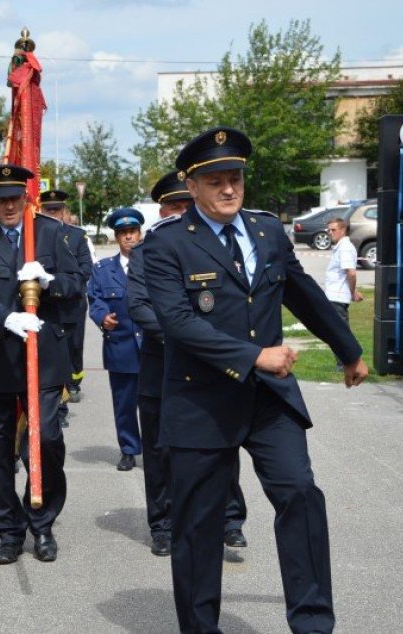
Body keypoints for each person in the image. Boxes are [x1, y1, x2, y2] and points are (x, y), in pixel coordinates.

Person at [143, 127, 368, 633]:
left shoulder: (266, 232)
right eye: (216, 180)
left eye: (236, 178)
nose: (228, 189)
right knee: (199, 523)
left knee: (300, 495)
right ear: (193, 187)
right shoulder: (167, 245)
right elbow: (179, 324)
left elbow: (303, 292)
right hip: (201, 400)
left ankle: (312, 622)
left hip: (268, 400)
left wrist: (348, 351)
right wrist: (254, 356)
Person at [0, 164, 82, 565]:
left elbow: (77, 284)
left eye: (15, 197)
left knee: (45, 440)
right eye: (0, 198)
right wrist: (6, 317)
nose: (9, 205)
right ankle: (8, 530)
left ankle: (42, 522)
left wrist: (50, 283)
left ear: (26, 197)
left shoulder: (53, 233)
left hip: (43, 357)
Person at [127, 171, 248, 557]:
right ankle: (163, 524)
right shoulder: (149, 250)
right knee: (161, 451)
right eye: (174, 206)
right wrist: (184, 336)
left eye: (186, 205)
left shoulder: (221, 245)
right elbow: (139, 307)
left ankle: (229, 520)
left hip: (216, 369)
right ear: (162, 210)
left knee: (223, 446)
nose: (182, 212)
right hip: (163, 368)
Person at [87, 208, 144, 469]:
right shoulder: (103, 269)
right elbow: (95, 300)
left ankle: (157, 450)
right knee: (124, 403)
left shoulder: (155, 264)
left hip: (154, 347)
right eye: (123, 233)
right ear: (116, 237)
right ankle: (129, 449)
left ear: (140, 234)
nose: (128, 237)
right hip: (121, 346)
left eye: (132, 232)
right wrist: (102, 318)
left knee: (157, 404)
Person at [39, 190, 93, 424]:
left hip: (71, 305)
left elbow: (85, 271)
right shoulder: (36, 234)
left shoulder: (77, 236)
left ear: (65, 212)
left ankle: (72, 384)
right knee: (52, 360)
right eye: (48, 210)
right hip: (46, 307)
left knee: (73, 350)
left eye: (56, 210)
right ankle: (58, 409)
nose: (53, 214)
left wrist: (57, 283)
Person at [324, 217, 364, 368]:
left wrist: (352, 292)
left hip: (337, 297)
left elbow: (351, 273)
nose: (330, 233)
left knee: (339, 332)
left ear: (343, 230)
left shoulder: (345, 247)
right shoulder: (341, 247)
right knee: (338, 331)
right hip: (335, 295)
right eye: (329, 230)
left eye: (333, 230)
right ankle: (346, 362)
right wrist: (354, 290)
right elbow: (344, 275)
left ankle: (346, 363)